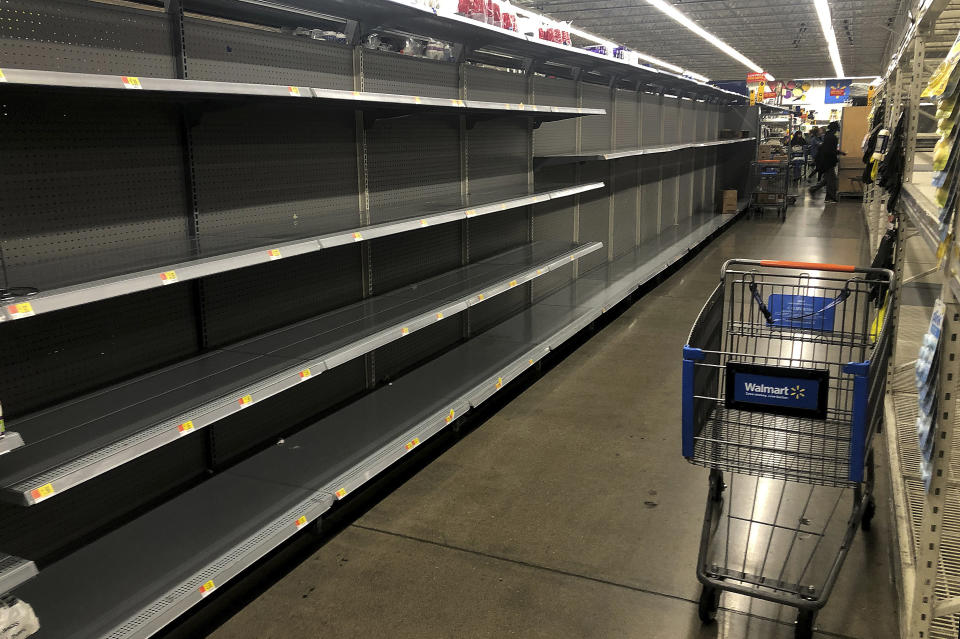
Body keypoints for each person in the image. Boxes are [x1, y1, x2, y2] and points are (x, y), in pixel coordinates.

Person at [809, 121, 844, 202]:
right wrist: (839, 152)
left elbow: (827, 149)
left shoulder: (827, 136)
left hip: (824, 161)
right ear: (835, 129)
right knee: (832, 180)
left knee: (827, 179)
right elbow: (830, 150)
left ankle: (813, 189)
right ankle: (829, 198)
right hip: (828, 161)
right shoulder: (832, 137)